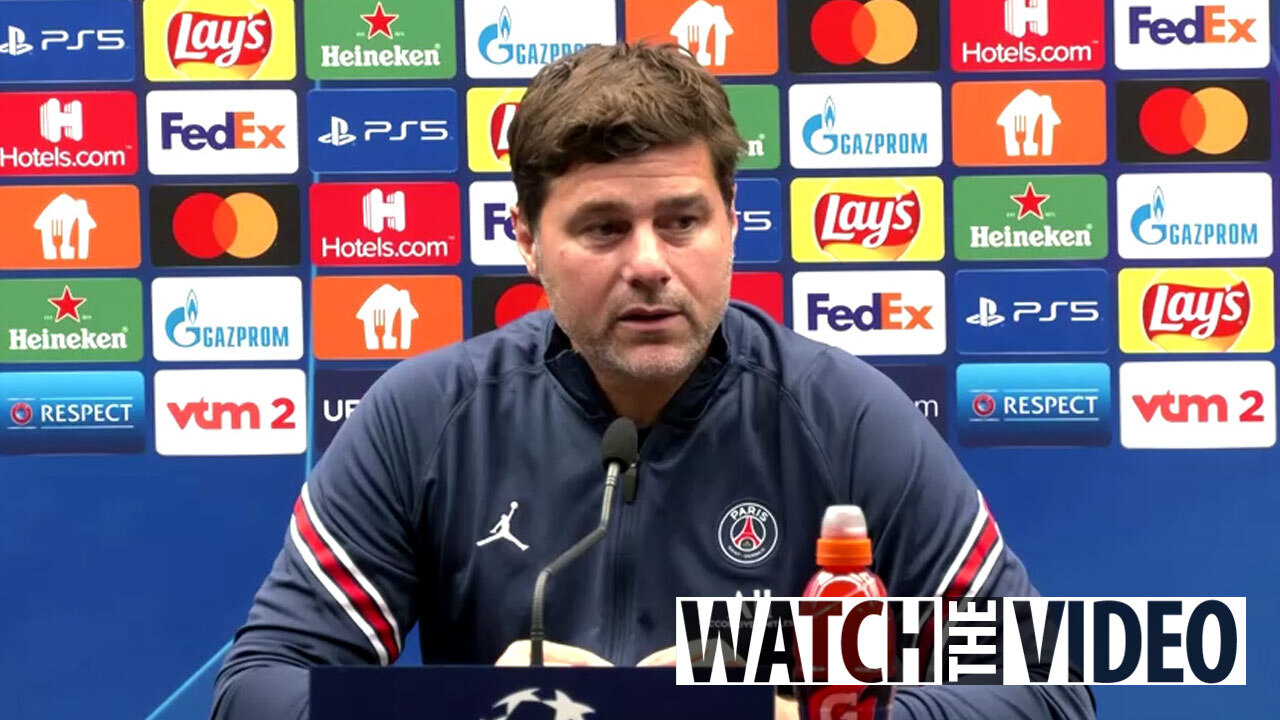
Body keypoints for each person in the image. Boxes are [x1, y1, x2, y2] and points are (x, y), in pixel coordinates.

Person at [210, 42, 1096, 720]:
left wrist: (781, 711)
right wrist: (486, 705)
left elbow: (1051, 692)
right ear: (525, 238)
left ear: (732, 224)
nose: (649, 265)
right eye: (602, 228)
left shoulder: (845, 417)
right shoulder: (429, 416)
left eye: (682, 221)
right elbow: (256, 689)